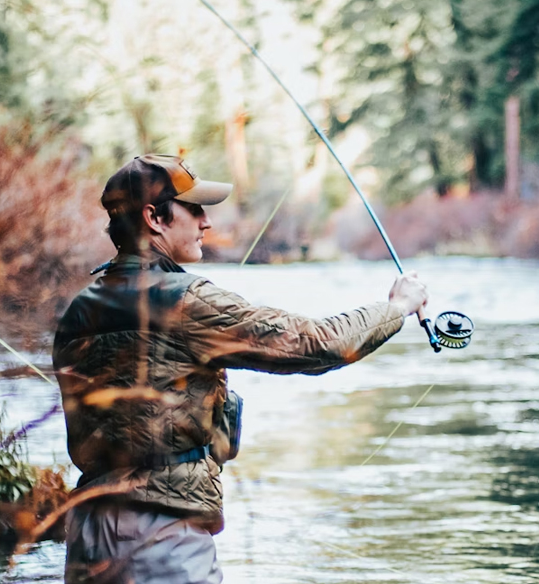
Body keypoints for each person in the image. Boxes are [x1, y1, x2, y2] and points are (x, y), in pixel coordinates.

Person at [53, 154, 427, 584]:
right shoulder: (186, 301)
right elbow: (319, 345)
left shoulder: (79, 309)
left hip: (86, 535)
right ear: (154, 217)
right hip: (159, 539)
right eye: (193, 209)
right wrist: (397, 307)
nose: (205, 222)